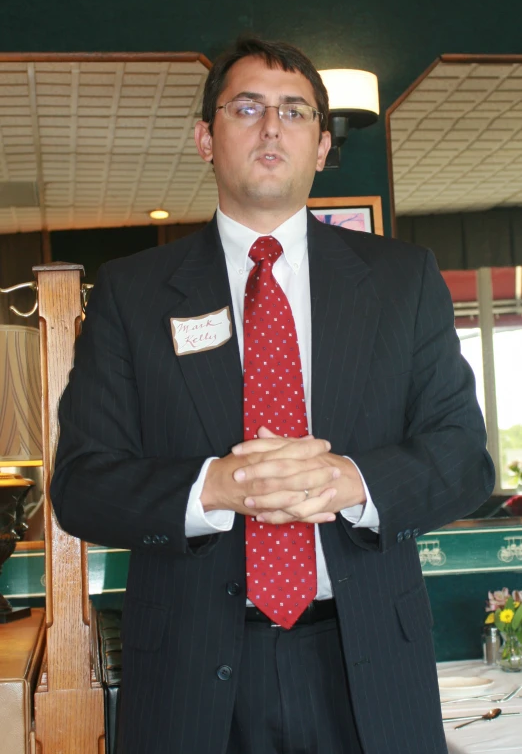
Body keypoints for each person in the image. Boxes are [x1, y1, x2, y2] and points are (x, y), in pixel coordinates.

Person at [50, 37, 495, 754]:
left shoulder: (401, 281)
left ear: (322, 145)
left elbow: (464, 458)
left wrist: (351, 480)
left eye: (294, 112)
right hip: (190, 677)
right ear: (205, 137)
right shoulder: (131, 295)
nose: (270, 127)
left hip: (369, 666)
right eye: (247, 107)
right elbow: (82, 485)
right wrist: (214, 486)